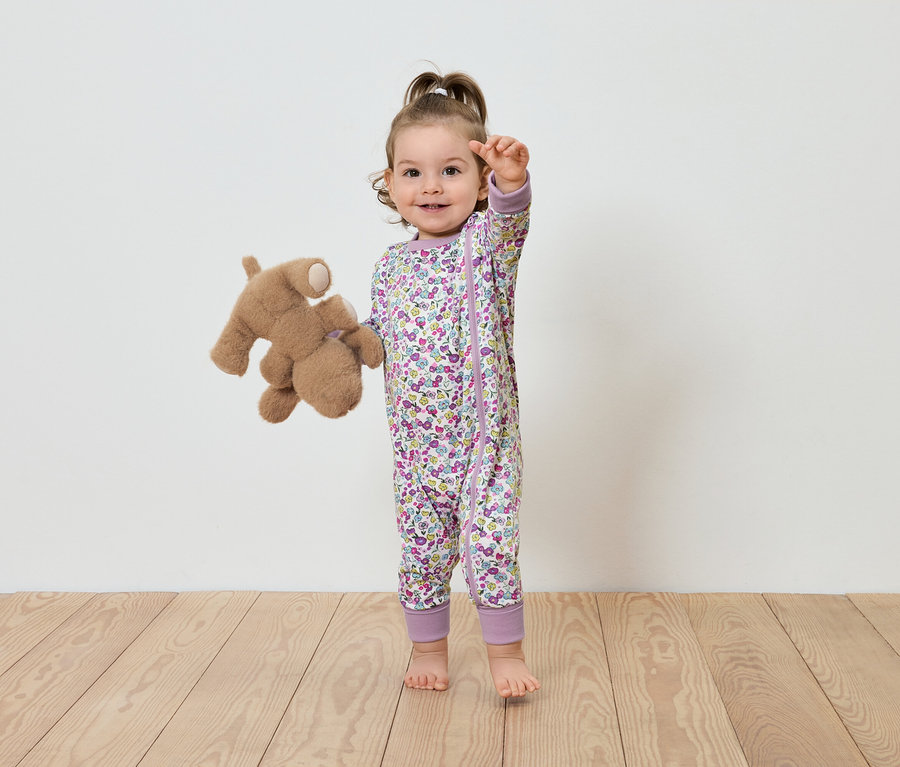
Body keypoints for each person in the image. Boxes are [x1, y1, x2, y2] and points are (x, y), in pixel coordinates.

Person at [365, 69, 540, 699]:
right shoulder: (389, 267)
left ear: (478, 180)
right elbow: (377, 338)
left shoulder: (485, 247)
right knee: (423, 551)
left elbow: (513, 221)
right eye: (412, 172)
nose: (431, 186)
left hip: (482, 445)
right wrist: (333, 347)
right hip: (417, 450)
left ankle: (505, 656)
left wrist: (511, 181)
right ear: (390, 184)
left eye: (451, 171)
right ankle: (429, 651)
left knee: (492, 547)